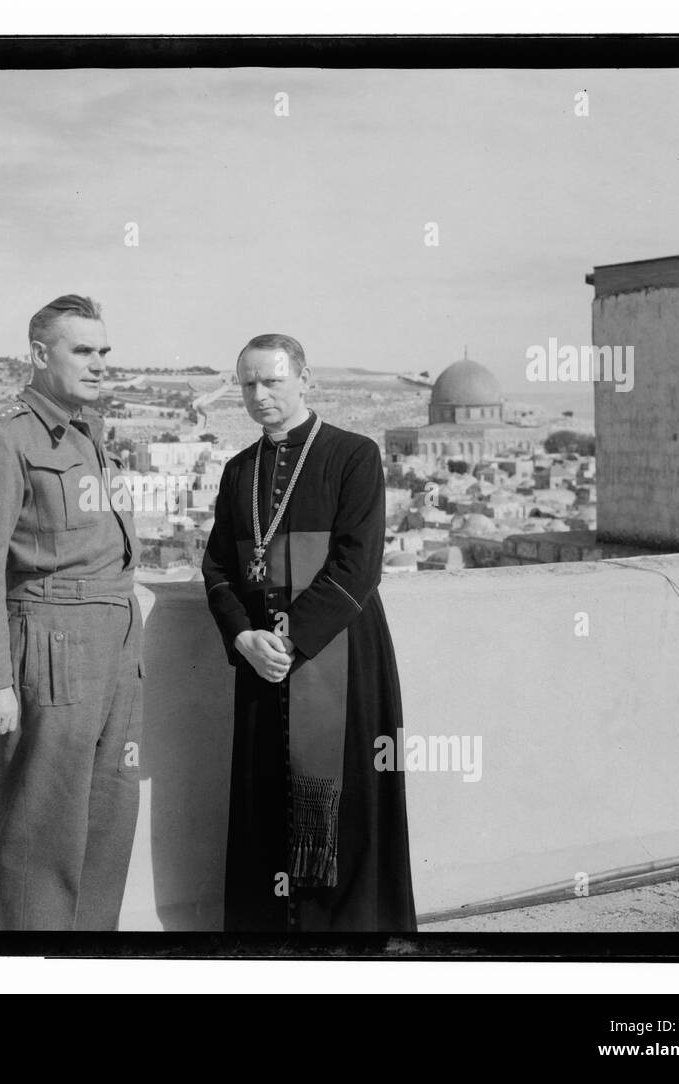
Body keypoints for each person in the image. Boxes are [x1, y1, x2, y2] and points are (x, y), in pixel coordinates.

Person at [0, 294, 144, 931]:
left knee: (109, 817)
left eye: (103, 350)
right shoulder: (3, 439)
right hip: (53, 647)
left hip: (114, 643)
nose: (99, 362)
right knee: (44, 826)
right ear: (38, 355)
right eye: (82, 350)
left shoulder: (88, 434)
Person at [201, 333, 416, 932]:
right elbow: (218, 567)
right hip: (261, 660)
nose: (259, 395)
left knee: (345, 813)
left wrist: (290, 640)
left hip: (339, 653)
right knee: (268, 803)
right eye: (247, 383)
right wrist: (243, 637)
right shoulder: (237, 470)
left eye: (272, 380)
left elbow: (358, 564)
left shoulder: (353, 455)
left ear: (304, 379)